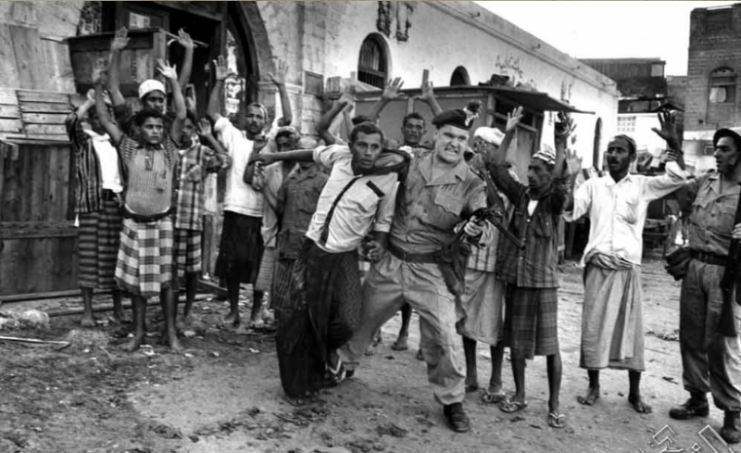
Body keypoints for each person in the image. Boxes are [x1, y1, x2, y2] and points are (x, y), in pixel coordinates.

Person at [339, 104, 494, 433]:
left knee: (446, 335)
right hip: (391, 261)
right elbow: (369, 170)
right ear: (436, 135)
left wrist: (478, 223)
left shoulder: (471, 182)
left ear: (467, 142)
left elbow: (482, 214)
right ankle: (343, 365)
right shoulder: (409, 161)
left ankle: (452, 401)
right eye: (449, 135)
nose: (454, 143)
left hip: (429, 269)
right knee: (362, 319)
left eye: (461, 138)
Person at [251, 122, 409, 404]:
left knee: (348, 322)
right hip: (312, 249)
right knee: (297, 320)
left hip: (345, 255)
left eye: (375, 147)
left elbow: (383, 222)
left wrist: (378, 244)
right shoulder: (338, 156)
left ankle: (327, 353)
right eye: (362, 145)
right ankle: (298, 387)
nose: (369, 152)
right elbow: (309, 155)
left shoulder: (389, 180)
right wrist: (274, 157)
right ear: (351, 146)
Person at [565, 112, 688, 415]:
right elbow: (571, 210)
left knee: (631, 332)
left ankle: (634, 392)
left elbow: (676, 179)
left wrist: (674, 145)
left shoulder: (642, 185)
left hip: (628, 268)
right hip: (597, 267)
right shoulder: (593, 185)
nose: (613, 155)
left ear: (632, 158)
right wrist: (568, 176)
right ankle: (594, 386)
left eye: (620, 150)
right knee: (593, 328)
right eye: (610, 149)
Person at [485, 107, 571, 429]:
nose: (531, 174)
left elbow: (563, 184)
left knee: (551, 347)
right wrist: (508, 131)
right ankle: (520, 395)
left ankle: (554, 403)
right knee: (517, 343)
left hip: (543, 283)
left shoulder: (553, 200)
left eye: (537, 170)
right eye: (530, 168)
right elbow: (495, 168)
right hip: (518, 280)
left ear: (549, 173)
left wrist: (562, 143)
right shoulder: (520, 195)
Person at [93, 56, 186, 352]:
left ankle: (171, 333)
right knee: (135, 282)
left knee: (168, 281)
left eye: (159, 127)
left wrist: (172, 80)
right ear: (140, 129)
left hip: (163, 223)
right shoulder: (129, 147)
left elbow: (181, 114)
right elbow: (106, 119)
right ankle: (138, 331)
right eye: (150, 127)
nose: (156, 131)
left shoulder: (170, 149)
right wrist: (97, 85)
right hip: (134, 223)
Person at [669, 127, 741, 444]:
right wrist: (676, 150)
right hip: (696, 266)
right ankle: (697, 397)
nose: (717, 153)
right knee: (691, 335)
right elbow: (681, 191)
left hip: (726, 274)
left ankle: (731, 413)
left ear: (739, 153)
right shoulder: (706, 181)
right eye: (716, 148)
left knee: (721, 346)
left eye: (724, 148)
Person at [207, 55, 269, 328]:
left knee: (258, 266)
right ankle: (234, 311)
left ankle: (256, 311)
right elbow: (211, 114)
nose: (254, 120)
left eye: (259, 117)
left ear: (265, 122)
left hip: (261, 213)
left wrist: (279, 87)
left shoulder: (270, 143)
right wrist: (219, 82)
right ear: (244, 118)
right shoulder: (233, 136)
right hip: (235, 208)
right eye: (251, 115)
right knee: (231, 265)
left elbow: (288, 118)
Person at [459, 126, 513, 402]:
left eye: (487, 146)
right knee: (465, 318)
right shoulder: (469, 171)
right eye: (479, 145)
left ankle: (496, 378)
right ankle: (470, 374)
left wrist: (486, 175)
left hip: (495, 261)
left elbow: (497, 209)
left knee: (495, 324)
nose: (481, 150)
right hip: (471, 256)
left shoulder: (508, 177)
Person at [65, 89, 127, 327]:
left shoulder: (118, 142)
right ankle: (88, 312)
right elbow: (71, 121)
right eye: (100, 113)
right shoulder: (84, 141)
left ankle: (118, 309)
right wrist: (90, 101)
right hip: (91, 205)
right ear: (91, 117)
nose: (105, 117)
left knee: (116, 258)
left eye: (109, 113)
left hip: (115, 204)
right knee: (89, 258)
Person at [173, 112, 230, 325]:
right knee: (171, 272)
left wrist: (209, 137)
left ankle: (187, 310)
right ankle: (171, 311)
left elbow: (225, 159)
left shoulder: (201, 152)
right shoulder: (168, 152)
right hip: (170, 221)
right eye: (182, 128)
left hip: (192, 220)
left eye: (190, 127)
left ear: (195, 131)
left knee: (191, 271)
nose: (185, 132)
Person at [271, 136, 329, 324]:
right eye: (300, 149)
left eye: (308, 151)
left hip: (308, 247)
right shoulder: (291, 180)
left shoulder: (323, 181)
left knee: (303, 292)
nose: (303, 155)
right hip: (287, 243)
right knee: (282, 288)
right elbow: (280, 207)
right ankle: (282, 328)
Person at [249, 126, 302, 329]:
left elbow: (284, 209)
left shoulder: (302, 170)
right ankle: (265, 316)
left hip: (294, 232)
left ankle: (284, 321)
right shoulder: (272, 169)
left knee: (288, 280)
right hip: (273, 231)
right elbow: (251, 179)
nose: (282, 150)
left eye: (287, 145)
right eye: (279, 146)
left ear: (295, 146)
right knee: (267, 278)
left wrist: (265, 191)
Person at [107, 26, 194, 137]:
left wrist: (189, 50)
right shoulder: (131, 122)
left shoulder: (167, 121)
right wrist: (117, 51)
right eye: (152, 99)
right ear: (141, 102)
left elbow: (180, 88)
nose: (157, 104)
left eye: (161, 100)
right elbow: (113, 89)